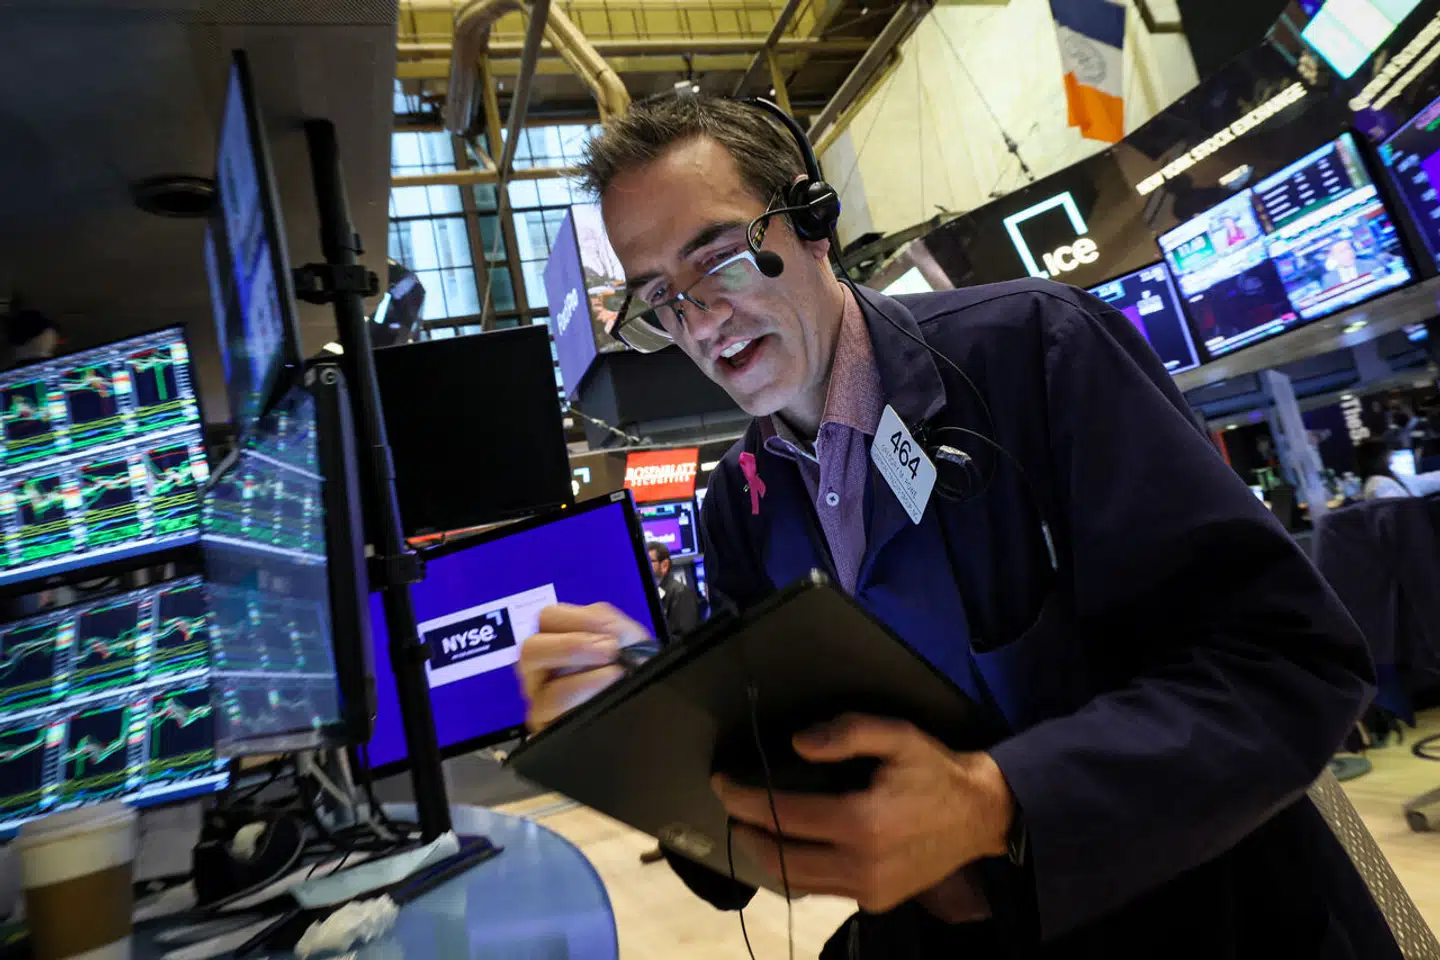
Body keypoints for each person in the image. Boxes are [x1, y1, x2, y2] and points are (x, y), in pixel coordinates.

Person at [517, 96, 1394, 958]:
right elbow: (762, 793)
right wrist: (636, 727)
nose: (699, 320)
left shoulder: (1034, 352)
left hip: (1204, 918)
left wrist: (998, 798)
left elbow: (1291, 660)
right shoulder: (741, 506)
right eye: (660, 297)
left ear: (810, 222)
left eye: (718, 260)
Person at [638, 540, 700, 866]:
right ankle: (670, 842)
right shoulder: (652, 597)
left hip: (681, 695)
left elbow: (685, 642)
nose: (647, 567)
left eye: (651, 561)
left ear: (665, 564)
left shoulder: (681, 594)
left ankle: (689, 844)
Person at [1356, 437, 1440, 500]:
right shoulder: (1378, 486)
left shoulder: (1391, 477)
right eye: (1388, 452)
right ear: (1379, 458)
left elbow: (1420, 482)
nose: (1392, 454)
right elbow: (1398, 512)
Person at [648, 541, 699, 636]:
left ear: (664, 565)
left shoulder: (681, 593)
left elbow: (686, 637)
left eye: (649, 561)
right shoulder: (650, 594)